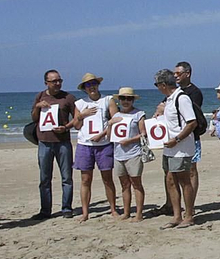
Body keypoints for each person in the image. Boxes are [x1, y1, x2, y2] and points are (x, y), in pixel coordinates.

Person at [70, 73, 120, 222]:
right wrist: (81, 115)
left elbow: (116, 120)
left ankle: (113, 209)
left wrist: (102, 134)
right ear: (84, 88)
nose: (91, 87)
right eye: (88, 85)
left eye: (93, 83)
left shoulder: (107, 100)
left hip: (103, 145)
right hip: (85, 145)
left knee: (107, 178)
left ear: (98, 84)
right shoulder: (79, 103)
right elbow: (77, 125)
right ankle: (85, 213)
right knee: (85, 179)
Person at [29, 69, 77, 219]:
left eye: (59, 80)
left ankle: (66, 208)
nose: (57, 83)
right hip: (44, 142)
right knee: (44, 178)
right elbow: (34, 118)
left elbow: (77, 118)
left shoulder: (68, 97)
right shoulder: (40, 96)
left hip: (63, 142)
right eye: (54, 81)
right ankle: (45, 210)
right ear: (46, 83)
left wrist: (66, 127)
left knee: (67, 177)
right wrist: (38, 106)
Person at [155, 68, 200, 227]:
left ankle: (189, 215)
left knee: (184, 181)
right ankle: (176, 215)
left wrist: (177, 139)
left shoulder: (181, 98)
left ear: (162, 84)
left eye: (157, 85)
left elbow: (192, 122)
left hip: (181, 148)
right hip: (169, 148)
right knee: (170, 180)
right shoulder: (168, 100)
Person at [106, 87, 148, 221]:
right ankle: (126, 212)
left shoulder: (139, 114)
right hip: (118, 154)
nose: (126, 101)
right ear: (119, 100)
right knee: (124, 185)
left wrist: (130, 140)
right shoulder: (116, 116)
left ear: (133, 100)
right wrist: (109, 124)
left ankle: (139, 213)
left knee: (136, 183)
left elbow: (144, 134)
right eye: (123, 98)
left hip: (133, 153)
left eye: (129, 98)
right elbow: (109, 137)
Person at [171, 61, 207, 211]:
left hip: (192, 137)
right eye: (174, 74)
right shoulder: (175, 92)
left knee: (191, 170)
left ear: (188, 73)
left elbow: (191, 115)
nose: (175, 76)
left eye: (178, 73)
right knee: (172, 173)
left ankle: (190, 204)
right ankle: (172, 204)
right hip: (177, 138)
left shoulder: (194, 92)